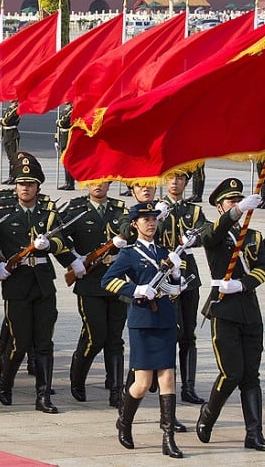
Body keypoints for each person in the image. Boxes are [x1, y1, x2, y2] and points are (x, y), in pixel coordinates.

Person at [0, 155, 79, 414]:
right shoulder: (3, 211)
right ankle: (5, 384)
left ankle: (43, 395)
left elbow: (62, 242)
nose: (25, 188)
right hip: (16, 284)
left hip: (42, 283)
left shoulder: (47, 213)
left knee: (44, 343)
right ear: (15, 186)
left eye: (30, 183)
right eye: (21, 183)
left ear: (38, 187)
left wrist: (50, 246)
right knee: (20, 342)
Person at [101, 202, 186, 459]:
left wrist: (174, 273)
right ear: (135, 224)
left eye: (153, 219)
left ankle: (168, 438)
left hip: (165, 321)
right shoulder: (129, 254)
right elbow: (108, 281)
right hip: (143, 322)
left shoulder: (164, 252)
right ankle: (125, 422)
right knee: (142, 383)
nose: (150, 223)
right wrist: (136, 290)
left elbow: (176, 289)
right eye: (145, 219)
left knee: (168, 379)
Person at [195, 178, 265, 452]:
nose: (237, 203)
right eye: (231, 201)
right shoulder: (212, 229)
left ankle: (254, 433)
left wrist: (244, 283)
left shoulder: (254, 236)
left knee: (251, 375)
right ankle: (208, 415)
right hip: (223, 308)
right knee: (231, 373)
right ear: (220, 207)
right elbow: (209, 237)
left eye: (239, 199)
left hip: (249, 309)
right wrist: (236, 212)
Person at [63, 181, 128, 406]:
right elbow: (57, 237)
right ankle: (78, 377)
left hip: (117, 280)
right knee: (95, 336)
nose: (97, 185)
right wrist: (73, 259)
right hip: (90, 281)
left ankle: (116, 389)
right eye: (92, 181)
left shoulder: (119, 210)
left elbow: (133, 229)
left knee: (115, 339)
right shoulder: (76, 209)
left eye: (102, 181)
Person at [159, 170, 208, 406]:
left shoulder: (193, 210)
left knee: (188, 333)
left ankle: (188, 386)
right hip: (165, 276)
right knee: (170, 332)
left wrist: (194, 239)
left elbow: (206, 230)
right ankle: (163, 382)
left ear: (187, 182)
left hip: (188, 277)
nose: (175, 182)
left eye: (180, 178)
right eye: (171, 177)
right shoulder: (157, 209)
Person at [0, 101, 21, 185]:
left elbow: (8, 121)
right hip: (7, 134)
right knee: (10, 158)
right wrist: (0, 134)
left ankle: (14, 177)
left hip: (12, 135)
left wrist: (1, 121)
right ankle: (10, 176)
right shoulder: (9, 109)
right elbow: (3, 125)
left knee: (13, 157)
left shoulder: (17, 109)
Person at [56, 104, 74, 190]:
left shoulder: (72, 111)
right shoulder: (64, 111)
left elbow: (64, 123)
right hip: (62, 138)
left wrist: (58, 122)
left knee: (68, 161)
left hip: (68, 137)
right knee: (64, 161)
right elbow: (58, 128)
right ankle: (67, 181)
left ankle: (70, 183)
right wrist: (56, 140)